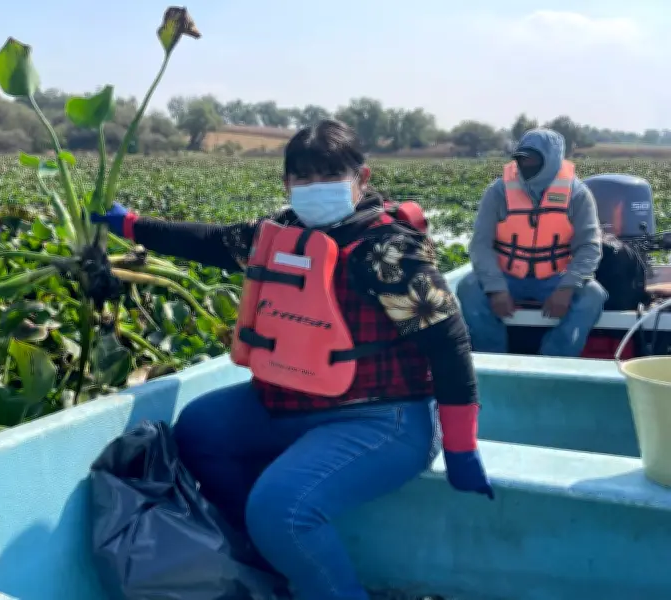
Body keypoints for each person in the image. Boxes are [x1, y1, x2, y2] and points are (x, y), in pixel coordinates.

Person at [92, 119, 492, 600]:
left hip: (383, 416)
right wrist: (129, 225)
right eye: (302, 178)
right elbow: (208, 241)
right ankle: (269, 560)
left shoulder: (388, 252)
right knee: (198, 428)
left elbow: (449, 345)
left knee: (280, 508)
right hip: (288, 402)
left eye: (329, 176)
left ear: (362, 179)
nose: (313, 187)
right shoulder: (277, 235)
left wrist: (461, 445)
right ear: (286, 183)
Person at [456, 127, 607, 357]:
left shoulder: (578, 194)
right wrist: (496, 288)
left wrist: (567, 288)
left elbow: (589, 246)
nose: (525, 165)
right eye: (521, 159)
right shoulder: (498, 192)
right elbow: (480, 245)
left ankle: (555, 358)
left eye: (533, 159)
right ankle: (492, 356)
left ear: (552, 160)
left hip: (554, 278)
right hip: (508, 277)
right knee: (468, 287)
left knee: (593, 295)